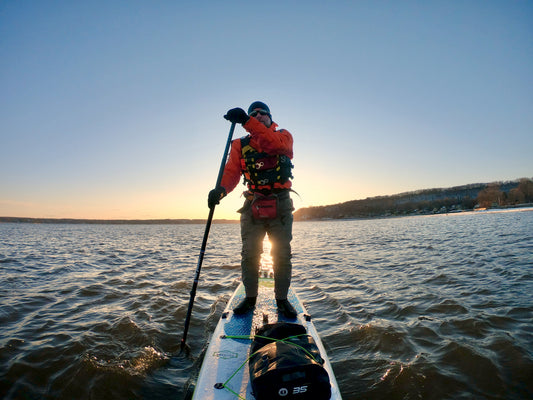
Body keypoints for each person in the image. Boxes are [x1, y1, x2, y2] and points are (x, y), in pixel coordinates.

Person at [208, 101, 297, 318]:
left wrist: (247, 121)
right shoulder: (239, 144)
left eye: (262, 113)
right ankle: (250, 299)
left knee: (282, 254)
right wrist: (220, 190)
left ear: (270, 117)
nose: (258, 116)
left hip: (281, 203)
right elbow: (231, 173)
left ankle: (282, 299)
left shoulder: (283, 135)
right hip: (252, 204)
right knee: (249, 254)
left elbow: (274, 146)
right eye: (253, 114)